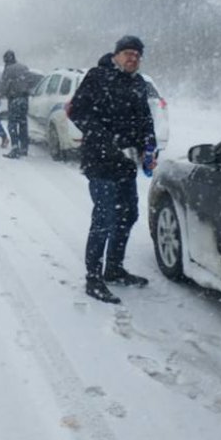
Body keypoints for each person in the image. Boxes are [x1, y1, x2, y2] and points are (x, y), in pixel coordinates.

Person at [67, 35, 158, 304]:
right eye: (128, 53)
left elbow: (145, 119)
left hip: (126, 163)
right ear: (116, 55)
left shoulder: (138, 83)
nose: (133, 58)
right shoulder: (98, 76)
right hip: (101, 161)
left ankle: (114, 268)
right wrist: (108, 140)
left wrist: (148, 147)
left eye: (137, 55)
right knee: (104, 219)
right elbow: (77, 112)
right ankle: (93, 278)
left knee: (128, 215)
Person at [0, 49, 31, 159]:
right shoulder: (24, 67)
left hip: (14, 99)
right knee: (23, 123)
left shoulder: (8, 70)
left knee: (12, 124)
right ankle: (24, 147)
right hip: (24, 99)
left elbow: (4, 86)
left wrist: (1, 94)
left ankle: (15, 148)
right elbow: (30, 82)